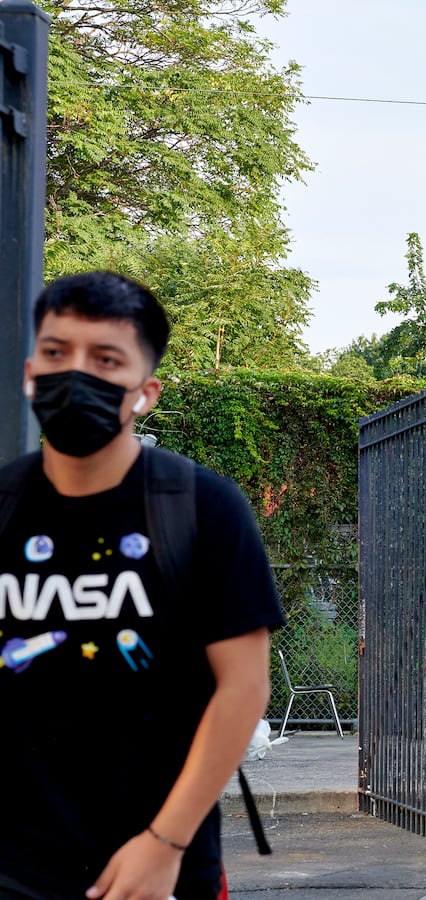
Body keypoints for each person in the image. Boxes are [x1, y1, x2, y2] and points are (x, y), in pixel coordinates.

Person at [0, 272, 283, 900]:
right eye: (56, 353)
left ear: (144, 390)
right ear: (28, 371)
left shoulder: (202, 507)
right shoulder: (4, 505)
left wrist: (165, 843)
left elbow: (244, 686)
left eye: (105, 359)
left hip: (163, 868)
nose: (74, 374)